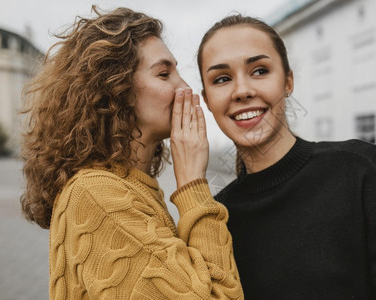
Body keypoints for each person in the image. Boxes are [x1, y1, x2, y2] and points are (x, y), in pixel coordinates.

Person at [197, 14, 376, 299]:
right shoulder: (217, 217)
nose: (242, 91)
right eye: (222, 79)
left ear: (288, 81)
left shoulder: (358, 169)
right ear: (207, 100)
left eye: (260, 71)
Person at [20, 7, 243, 299]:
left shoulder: (129, 187)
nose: (185, 88)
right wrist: (192, 185)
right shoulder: (99, 196)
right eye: (164, 74)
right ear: (116, 87)